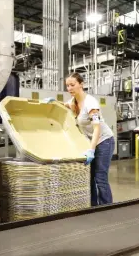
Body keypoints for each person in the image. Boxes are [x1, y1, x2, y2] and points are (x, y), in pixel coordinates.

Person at [43, 72, 115, 206]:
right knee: (90, 177)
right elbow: (66, 105)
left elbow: (97, 129)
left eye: (72, 85)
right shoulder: (73, 101)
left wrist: (91, 150)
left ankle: (107, 207)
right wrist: (54, 102)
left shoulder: (91, 103)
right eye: (67, 85)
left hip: (104, 141)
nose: (69, 88)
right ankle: (94, 207)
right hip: (92, 141)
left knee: (100, 178)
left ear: (81, 84)